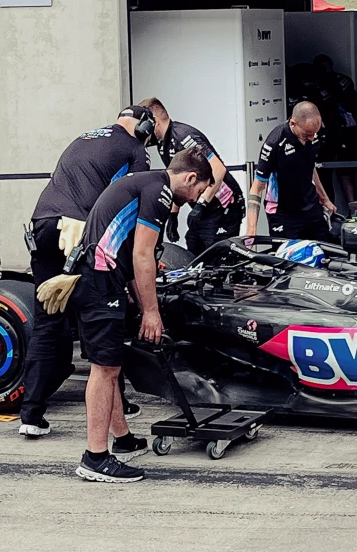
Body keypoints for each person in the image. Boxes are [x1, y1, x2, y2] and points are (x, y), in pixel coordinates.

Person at [59, 149, 212, 483]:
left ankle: (123, 439)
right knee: (105, 369)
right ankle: (95, 457)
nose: (196, 199)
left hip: (96, 277)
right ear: (189, 178)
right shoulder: (159, 192)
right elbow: (143, 254)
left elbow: (127, 252)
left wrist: (137, 297)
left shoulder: (144, 183)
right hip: (97, 280)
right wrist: (152, 313)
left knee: (109, 364)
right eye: (199, 191)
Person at [17, 106, 155, 439]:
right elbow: (131, 200)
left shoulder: (84, 138)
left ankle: (31, 415)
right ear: (144, 127)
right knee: (101, 315)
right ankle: (114, 404)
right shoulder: (134, 148)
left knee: (47, 321)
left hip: (43, 226)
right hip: (79, 231)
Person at [139, 97, 244, 253]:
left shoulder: (183, 136)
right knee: (194, 247)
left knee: (215, 256)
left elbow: (219, 169)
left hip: (223, 206)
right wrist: (174, 214)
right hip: (205, 209)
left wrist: (202, 204)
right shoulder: (164, 144)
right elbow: (177, 179)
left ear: (155, 120)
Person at [245, 102, 337, 241]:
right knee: (286, 259)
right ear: (293, 123)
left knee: (326, 251)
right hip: (283, 211)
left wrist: (325, 200)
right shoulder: (275, 143)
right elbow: (257, 188)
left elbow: (309, 167)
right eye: (307, 134)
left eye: (314, 134)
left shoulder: (314, 134)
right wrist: (251, 230)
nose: (312, 138)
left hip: (310, 206)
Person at [311, 55, 357, 206]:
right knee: (356, 168)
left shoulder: (322, 85)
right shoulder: (344, 79)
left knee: (345, 171)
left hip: (347, 131)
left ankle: (355, 210)